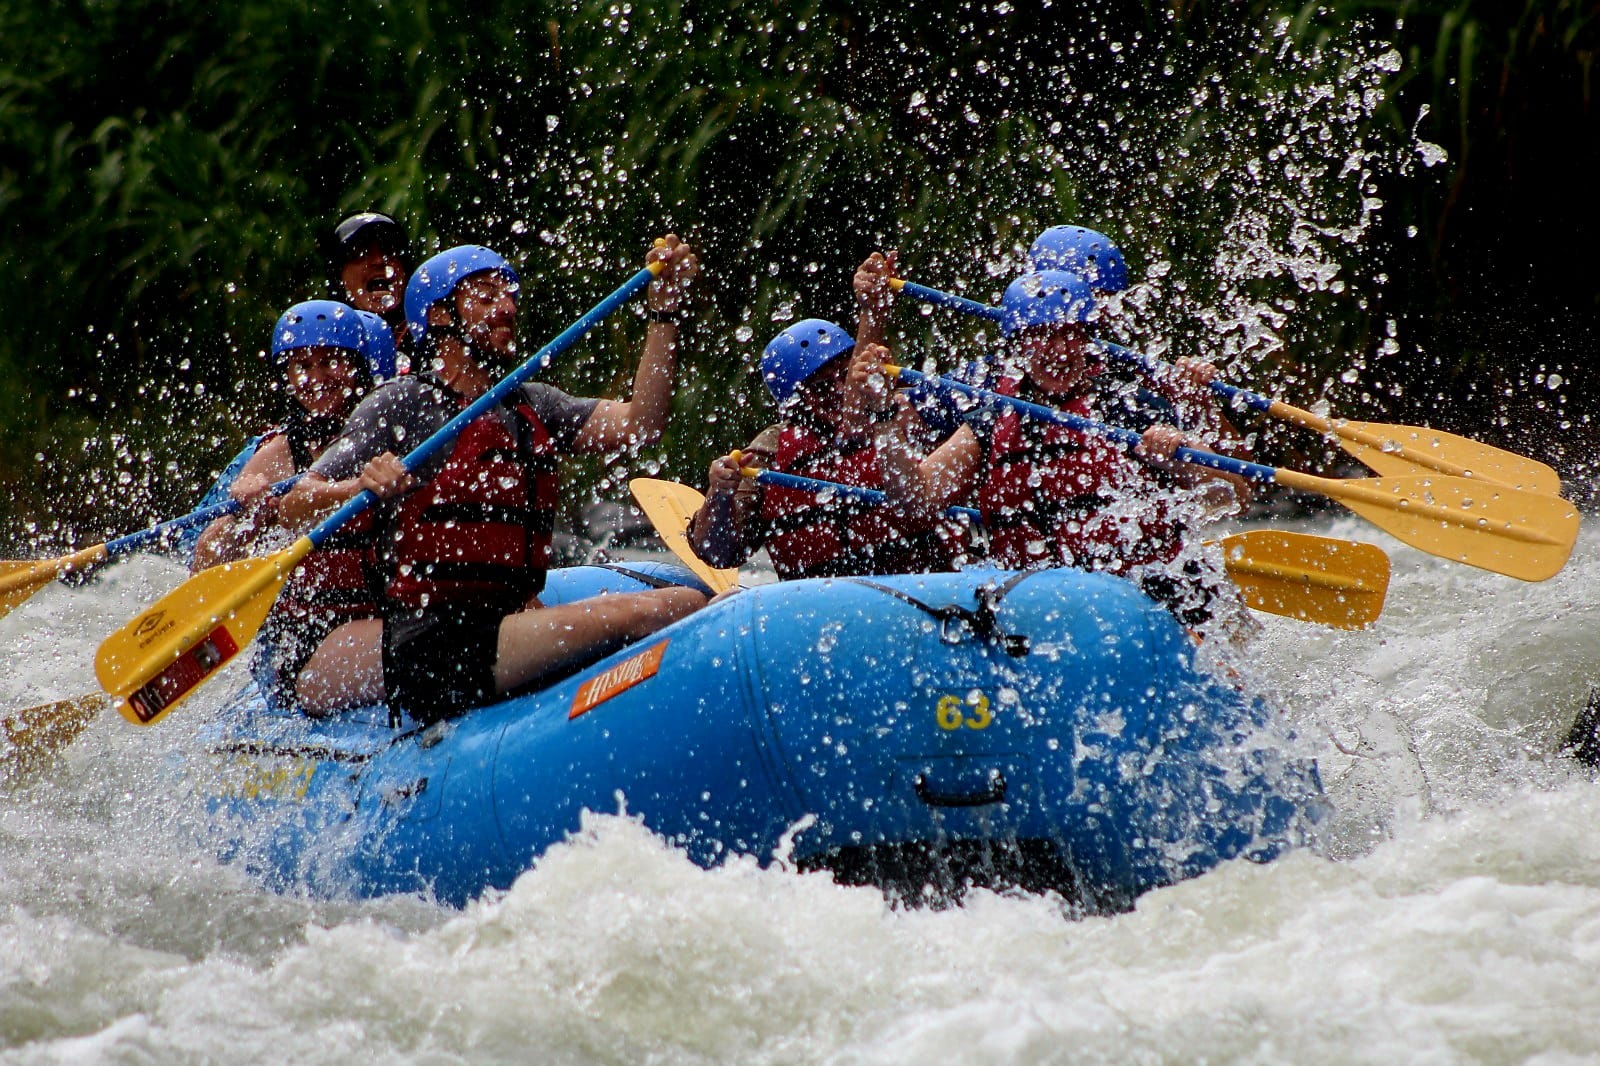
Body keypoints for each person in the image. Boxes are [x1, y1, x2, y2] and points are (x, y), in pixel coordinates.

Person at [276, 238, 705, 722]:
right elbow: (295, 502)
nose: (507, 308)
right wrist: (358, 487)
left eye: (508, 296)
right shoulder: (403, 404)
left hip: (506, 621)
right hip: (432, 642)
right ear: (440, 316)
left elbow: (641, 424)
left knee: (679, 602)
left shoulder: (533, 404)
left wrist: (664, 313)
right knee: (657, 609)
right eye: (485, 296)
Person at [872, 269, 1253, 622]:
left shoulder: (1128, 408)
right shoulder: (989, 423)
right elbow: (916, 498)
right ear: (1019, 346)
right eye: (1042, 335)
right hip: (1040, 613)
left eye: (1070, 334)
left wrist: (1181, 459)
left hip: (1148, 603)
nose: (1059, 349)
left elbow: (1236, 494)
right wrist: (885, 419)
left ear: (1087, 340)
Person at [687, 254, 962, 579]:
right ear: (796, 404)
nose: (839, 389)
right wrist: (719, 495)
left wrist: (874, 310)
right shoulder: (768, 451)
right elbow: (717, 553)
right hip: (818, 600)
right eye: (822, 386)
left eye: (844, 375)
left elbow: (858, 416)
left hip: (920, 588)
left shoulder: (900, 412)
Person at [190, 299, 395, 704]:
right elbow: (204, 567)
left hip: (381, 620)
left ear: (358, 366)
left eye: (329, 362)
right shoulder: (278, 455)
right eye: (301, 366)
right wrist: (248, 516)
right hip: (308, 641)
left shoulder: (387, 431)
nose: (315, 378)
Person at [331, 211, 412, 362]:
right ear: (338, 278)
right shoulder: (323, 347)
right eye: (361, 253)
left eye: (389, 250)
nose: (379, 260)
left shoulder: (433, 338)